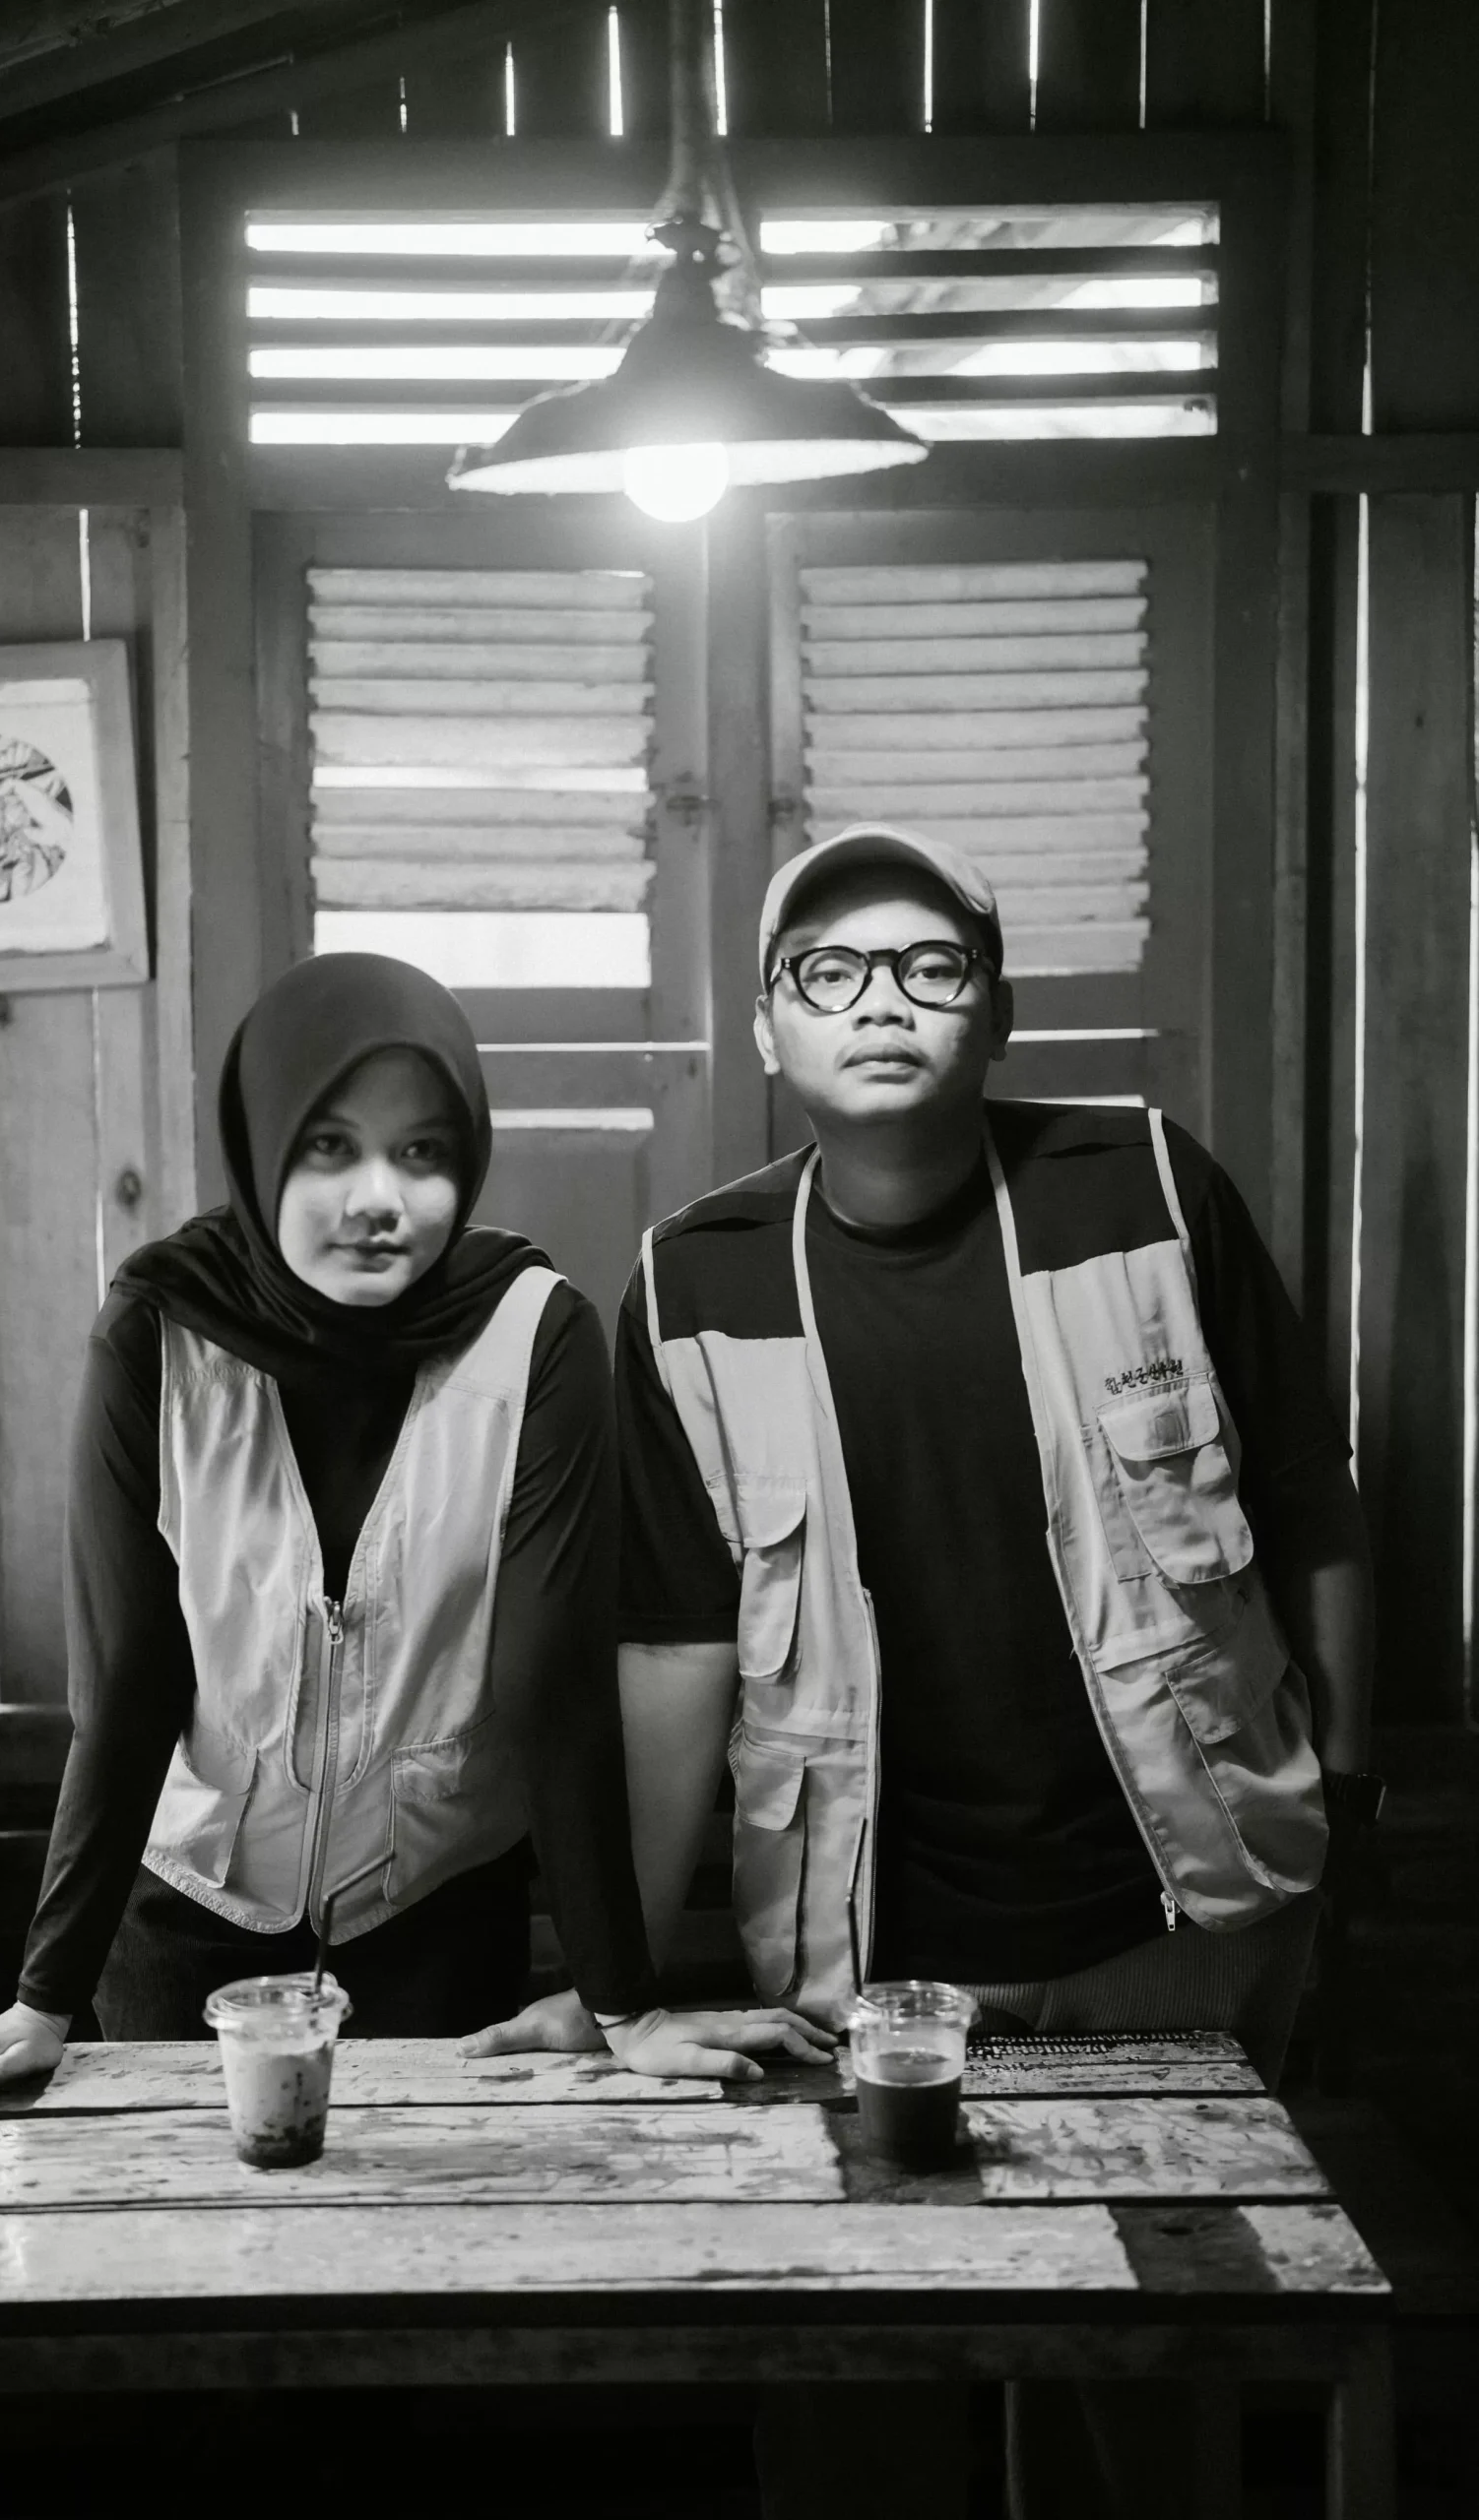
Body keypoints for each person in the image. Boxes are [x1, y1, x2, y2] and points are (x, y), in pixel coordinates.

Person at [601, 825, 1382, 2517]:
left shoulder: (1143, 1188)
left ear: (997, 1010)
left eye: (929, 965)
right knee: (855, 2409)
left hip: (1173, 1928)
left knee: (1149, 2417)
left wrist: (1347, 1806)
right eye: (828, 972)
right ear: (767, 1027)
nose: (880, 1000)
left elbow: (1307, 1504)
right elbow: (672, 1640)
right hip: (867, 1960)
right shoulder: (695, 1280)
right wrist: (625, 1973)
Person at [0, 955, 830, 2113]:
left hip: (435, 1921)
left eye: (421, 1151)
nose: (378, 1196)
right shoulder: (157, 1331)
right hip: (186, 1918)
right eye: (329, 1147)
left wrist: (622, 2003)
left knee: (436, 2226)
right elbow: (128, 1680)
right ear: (263, 1141)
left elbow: (552, 1683)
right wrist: (42, 1999)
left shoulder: (537, 1333)